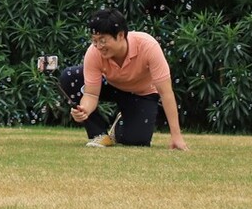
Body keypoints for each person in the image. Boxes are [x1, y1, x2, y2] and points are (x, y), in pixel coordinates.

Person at [60, 8, 189, 151]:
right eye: (94, 40)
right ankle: (99, 134)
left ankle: (119, 126)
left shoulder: (148, 46)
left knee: (137, 140)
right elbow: (91, 94)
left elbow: (166, 93)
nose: (98, 46)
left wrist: (176, 136)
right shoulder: (93, 52)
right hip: (111, 85)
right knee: (70, 76)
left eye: (103, 40)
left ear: (121, 35)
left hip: (142, 93)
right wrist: (84, 110)